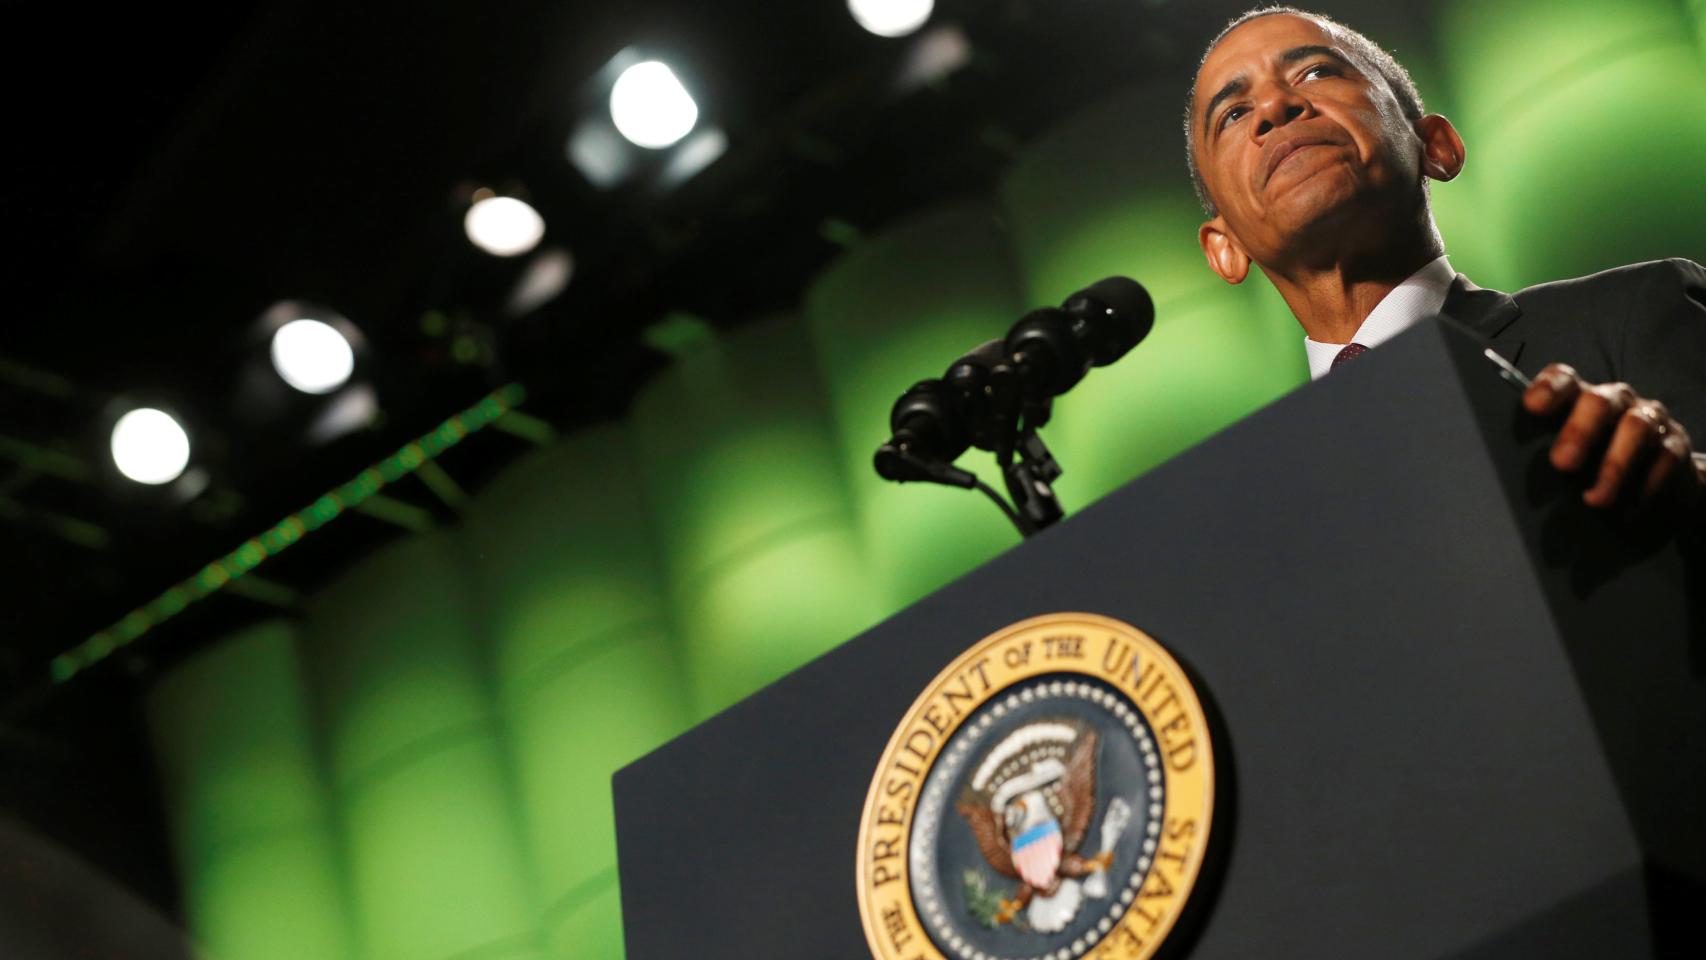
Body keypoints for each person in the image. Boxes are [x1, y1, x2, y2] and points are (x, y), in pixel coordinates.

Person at [1184, 6, 1706, 514]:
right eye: (1233, 114)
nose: (1276, 107)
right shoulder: (1252, 503)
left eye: (1316, 71)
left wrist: (1690, 482)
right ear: (1224, 249)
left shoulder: (1631, 317)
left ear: (1436, 147)